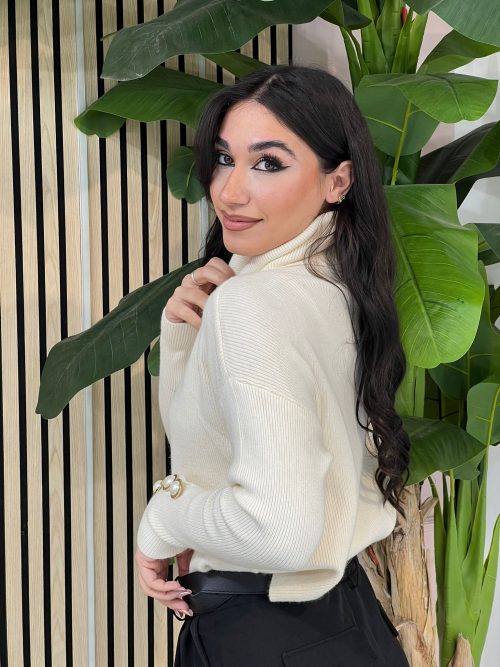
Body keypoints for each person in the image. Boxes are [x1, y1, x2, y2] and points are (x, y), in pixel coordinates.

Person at [135, 64, 411, 666]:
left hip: (262, 631)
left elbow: (278, 529)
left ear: (338, 181)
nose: (230, 191)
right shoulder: (340, 284)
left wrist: (165, 518)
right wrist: (182, 339)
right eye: (223, 159)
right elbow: (211, 450)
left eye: (267, 163)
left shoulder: (253, 302)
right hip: (349, 622)